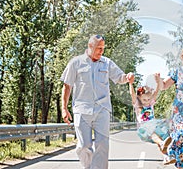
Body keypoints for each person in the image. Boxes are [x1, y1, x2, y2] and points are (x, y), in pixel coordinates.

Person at [61, 34, 134, 169]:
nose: (101, 51)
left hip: (102, 109)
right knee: (83, 146)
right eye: (99, 48)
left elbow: (120, 77)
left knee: (102, 145)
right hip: (82, 110)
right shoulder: (76, 63)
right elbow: (67, 86)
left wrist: (128, 77)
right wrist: (64, 108)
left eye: (103, 48)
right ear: (90, 46)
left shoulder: (107, 63)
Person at [128, 73, 175, 165]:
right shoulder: (137, 104)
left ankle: (166, 156)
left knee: (158, 136)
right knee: (153, 133)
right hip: (144, 128)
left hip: (153, 125)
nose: (147, 102)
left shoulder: (151, 103)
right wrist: (130, 83)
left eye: (149, 99)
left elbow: (156, 92)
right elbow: (132, 94)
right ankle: (162, 143)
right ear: (139, 99)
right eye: (144, 100)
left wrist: (157, 81)